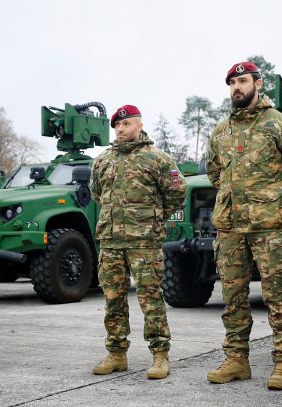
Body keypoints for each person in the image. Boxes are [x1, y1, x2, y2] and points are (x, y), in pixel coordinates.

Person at [206, 62, 282, 390]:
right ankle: (237, 360)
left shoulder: (278, 124)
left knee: (278, 295)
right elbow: (214, 172)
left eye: (242, 81)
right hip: (230, 226)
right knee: (233, 297)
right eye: (231, 83)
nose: (236, 88)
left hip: (269, 225)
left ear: (258, 83)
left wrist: (278, 195)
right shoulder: (221, 131)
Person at [90, 105, 186, 380]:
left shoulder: (157, 158)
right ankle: (117, 354)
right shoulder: (103, 160)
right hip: (110, 240)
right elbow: (97, 194)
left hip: (144, 241)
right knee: (113, 299)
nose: (121, 130)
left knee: (150, 297)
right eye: (117, 126)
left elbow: (177, 192)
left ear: (139, 125)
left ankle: (159, 355)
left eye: (127, 124)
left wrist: (154, 217)